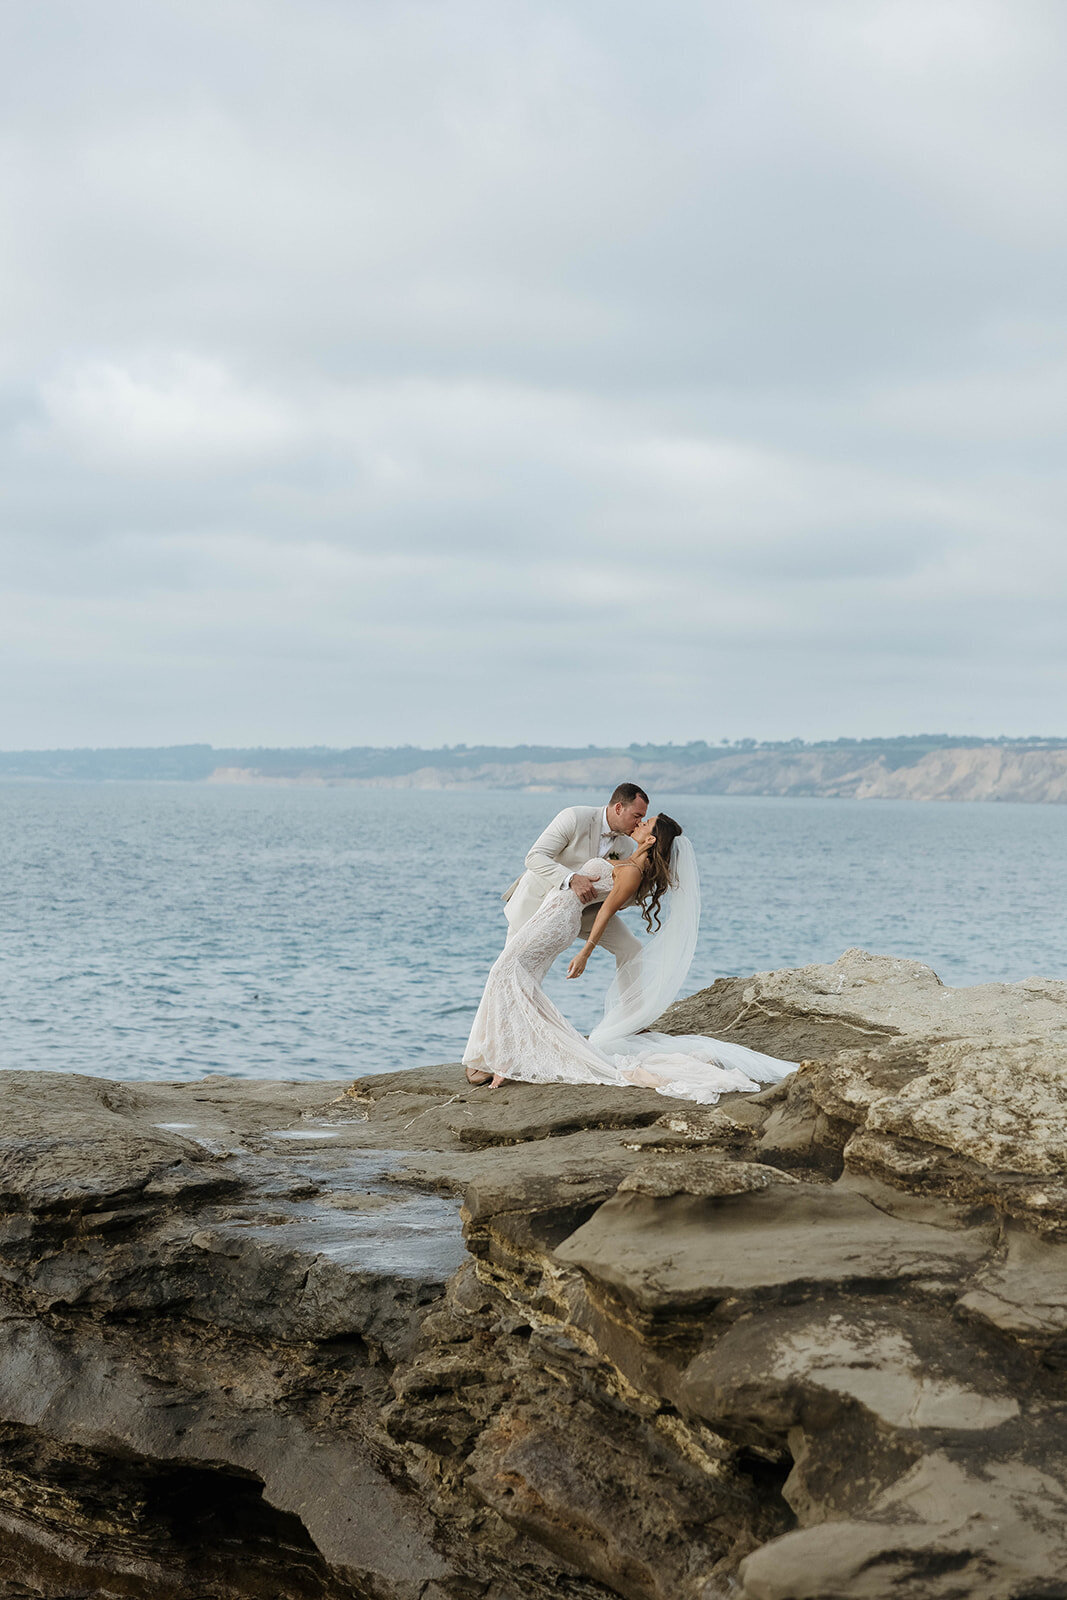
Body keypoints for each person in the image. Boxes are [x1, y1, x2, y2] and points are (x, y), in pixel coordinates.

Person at [464, 813, 795, 1099]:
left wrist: (585, 953)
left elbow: (606, 911)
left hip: (559, 919)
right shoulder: (629, 859)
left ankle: (505, 1059)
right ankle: (506, 1054)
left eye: (646, 822)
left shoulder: (633, 871)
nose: (639, 823)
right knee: (514, 980)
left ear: (651, 838)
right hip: (548, 914)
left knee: (504, 974)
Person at [501, 783, 649, 972]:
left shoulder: (626, 846)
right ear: (619, 808)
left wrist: (624, 899)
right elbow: (534, 857)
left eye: (643, 818)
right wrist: (571, 878)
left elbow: (621, 889)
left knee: (631, 949)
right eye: (637, 816)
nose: (639, 823)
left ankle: (632, 1002)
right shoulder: (574, 817)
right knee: (512, 968)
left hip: (586, 911)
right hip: (538, 903)